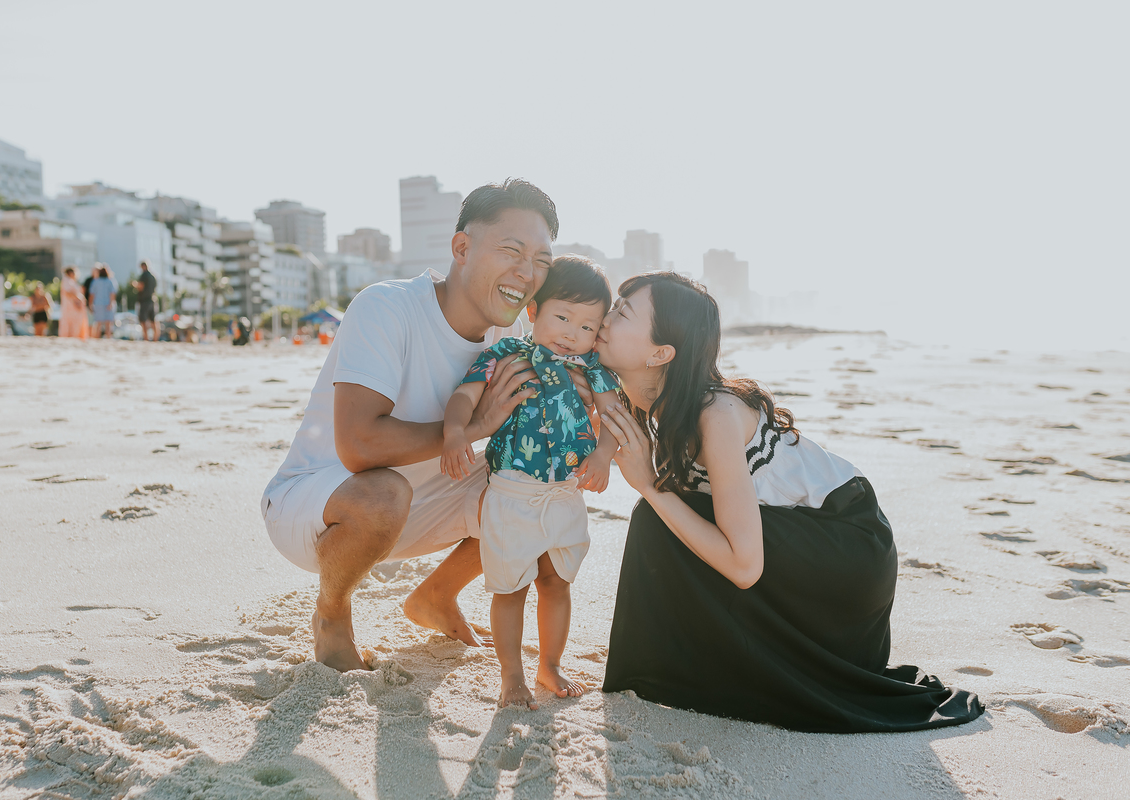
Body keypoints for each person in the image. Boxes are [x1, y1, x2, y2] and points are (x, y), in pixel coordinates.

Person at [595, 272, 985, 733]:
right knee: (665, 519)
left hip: (848, 554)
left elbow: (745, 566)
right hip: (805, 549)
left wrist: (649, 486)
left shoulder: (713, 415)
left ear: (661, 353)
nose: (606, 316)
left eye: (622, 311)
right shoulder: (650, 400)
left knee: (657, 514)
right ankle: (672, 665)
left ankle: (683, 670)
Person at [262, 179, 577, 673]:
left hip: (428, 503)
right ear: (462, 248)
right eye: (512, 251)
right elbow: (359, 446)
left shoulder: (511, 333)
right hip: (323, 506)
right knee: (384, 493)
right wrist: (472, 426)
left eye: (542, 260)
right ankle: (331, 615)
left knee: (537, 483)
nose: (527, 272)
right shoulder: (388, 307)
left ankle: (436, 594)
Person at [441, 256, 620, 709]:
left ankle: (550, 664)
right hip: (511, 494)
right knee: (510, 588)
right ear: (534, 310)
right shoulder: (504, 354)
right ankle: (511, 677)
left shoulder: (592, 368)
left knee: (556, 582)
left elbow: (614, 416)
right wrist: (455, 431)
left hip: (564, 494)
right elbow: (465, 395)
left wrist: (603, 453)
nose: (570, 333)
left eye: (586, 326)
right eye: (562, 317)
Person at [58, 267, 88, 339]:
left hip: (74, 306)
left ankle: (75, 335)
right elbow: (68, 293)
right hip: (70, 306)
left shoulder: (71, 281)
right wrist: (78, 299)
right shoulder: (67, 280)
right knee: (71, 321)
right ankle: (70, 334)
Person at [133, 260, 160, 341]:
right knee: (153, 320)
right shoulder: (153, 277)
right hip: (152, 299)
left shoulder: (144, 275)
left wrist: (135, 285)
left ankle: (146, 337)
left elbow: (141, 286)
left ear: (143, 266)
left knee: (143, 320)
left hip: (144, 300)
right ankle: (156, 337)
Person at [88, 266, 117, 339]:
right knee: (108, 325)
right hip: (107, 304)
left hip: (98, 304)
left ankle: (97, 339)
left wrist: (90, 304)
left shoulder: (95, 281)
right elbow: (112, 294)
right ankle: (108, 339)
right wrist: (111, 303)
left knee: (98, 324)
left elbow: (92, 294)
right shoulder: (110, 281)